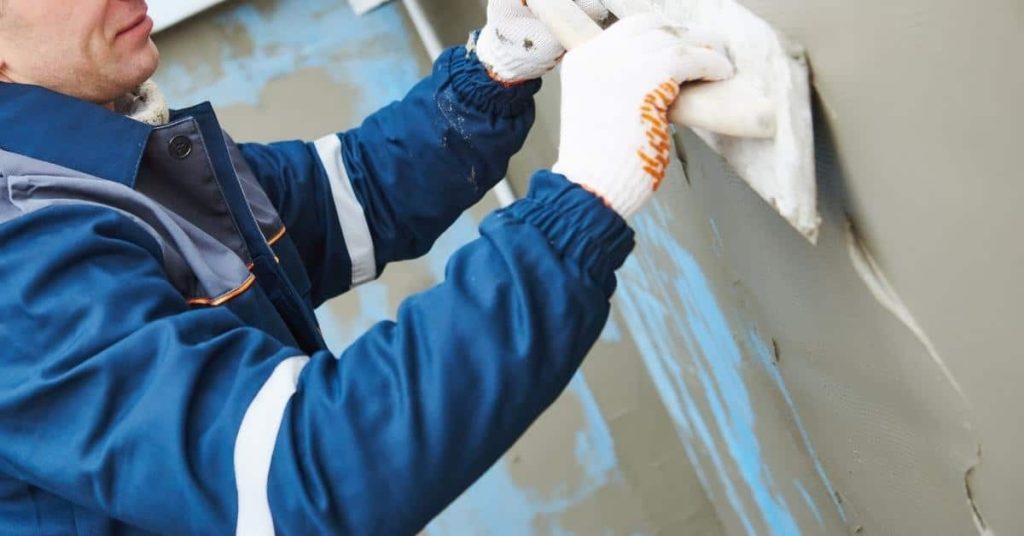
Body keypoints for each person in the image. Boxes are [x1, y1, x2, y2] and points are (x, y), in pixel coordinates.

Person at [0, 0, 732, 533]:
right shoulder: (19, 255)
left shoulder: (109, 169)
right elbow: (303, 476)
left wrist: (495, 70)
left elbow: (344, 195)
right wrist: (584, 199)